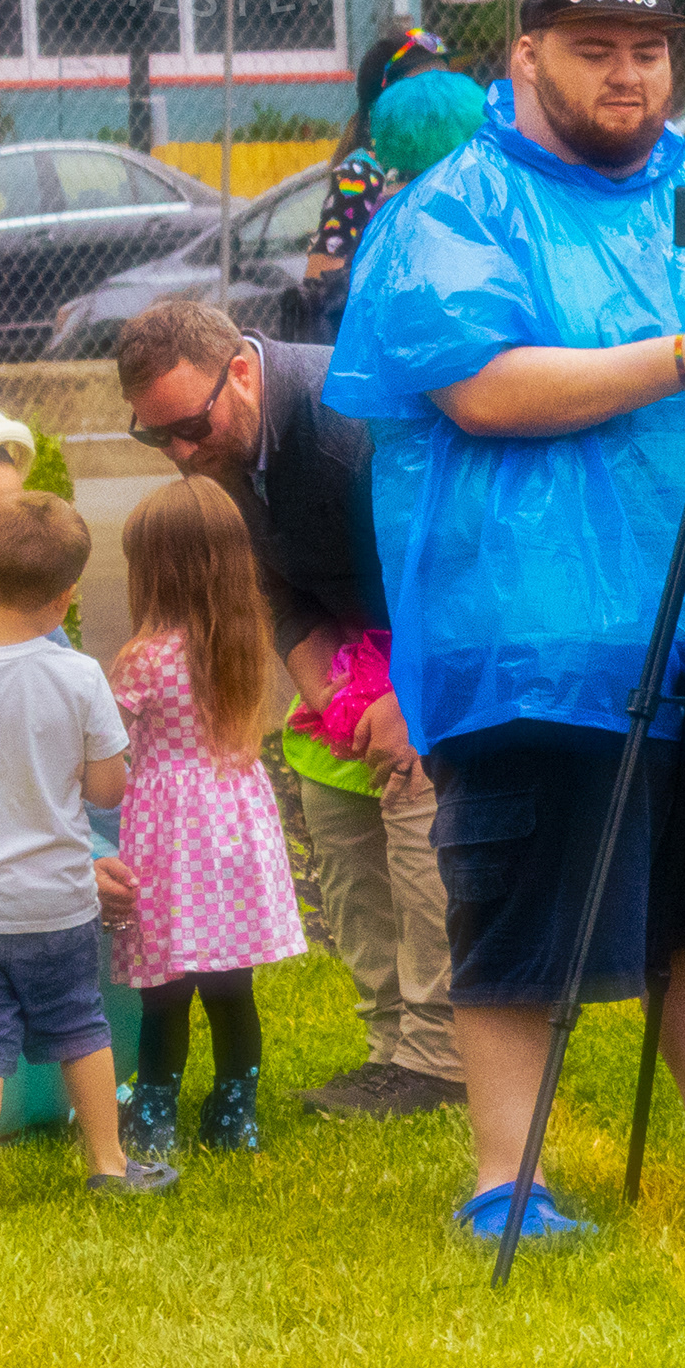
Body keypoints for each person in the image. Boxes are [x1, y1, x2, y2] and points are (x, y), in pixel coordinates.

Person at [325, 0, 685, 1242]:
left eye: (645, 51)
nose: (626, 75)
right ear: (527, 56)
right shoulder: (455, 208)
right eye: (594, 51)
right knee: (528, 910)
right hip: (542, 630)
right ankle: (505, 1180)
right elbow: (482, 388)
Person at [113, 298, 460, 1122]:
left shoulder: (347, 424)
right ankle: (390, 1047)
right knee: (340, 824)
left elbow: (448, 560)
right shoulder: (222, 451)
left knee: (416, 811)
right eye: (156, 438)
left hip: (438, 642)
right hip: (355, 655)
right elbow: (277, 591)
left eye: (188, 428)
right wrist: (338, 700)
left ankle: (441, 1056)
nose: (180, 453)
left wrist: (409, 699)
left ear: (240, 372)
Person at [104, 477, 307, 1158]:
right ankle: (233, 1117)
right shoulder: (242, 643)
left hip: (169, 836)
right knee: (230, 985)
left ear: (157, 569)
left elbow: (103, 741)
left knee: (163, 986)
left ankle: (154, 1115)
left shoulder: (144, 659)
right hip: (233, 824)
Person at [0, 487, 172, 1198]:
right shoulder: (78, 676)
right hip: (58, 904)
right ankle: (109, 1164)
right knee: (79, 1027)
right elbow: (106, 791)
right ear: (66, 596)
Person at [304, 25, 450, 294]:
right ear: (382, 103)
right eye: (423, 86)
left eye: (446, 82)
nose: (440, 96)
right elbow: (318, 288)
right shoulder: (361, 174)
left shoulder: (454, 164)